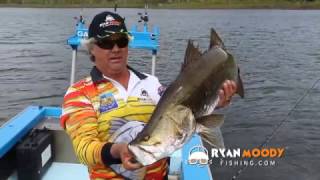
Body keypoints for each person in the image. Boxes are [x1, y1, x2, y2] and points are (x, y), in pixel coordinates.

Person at [60, 11, 237, 180]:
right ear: (92, 49)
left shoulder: (152, 83)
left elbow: (182, 115)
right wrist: (117, 151)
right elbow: (84, 149)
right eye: (106, 43)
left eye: (121, 41)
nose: (115, 49)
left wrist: (215, 102)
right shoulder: (79, 93)